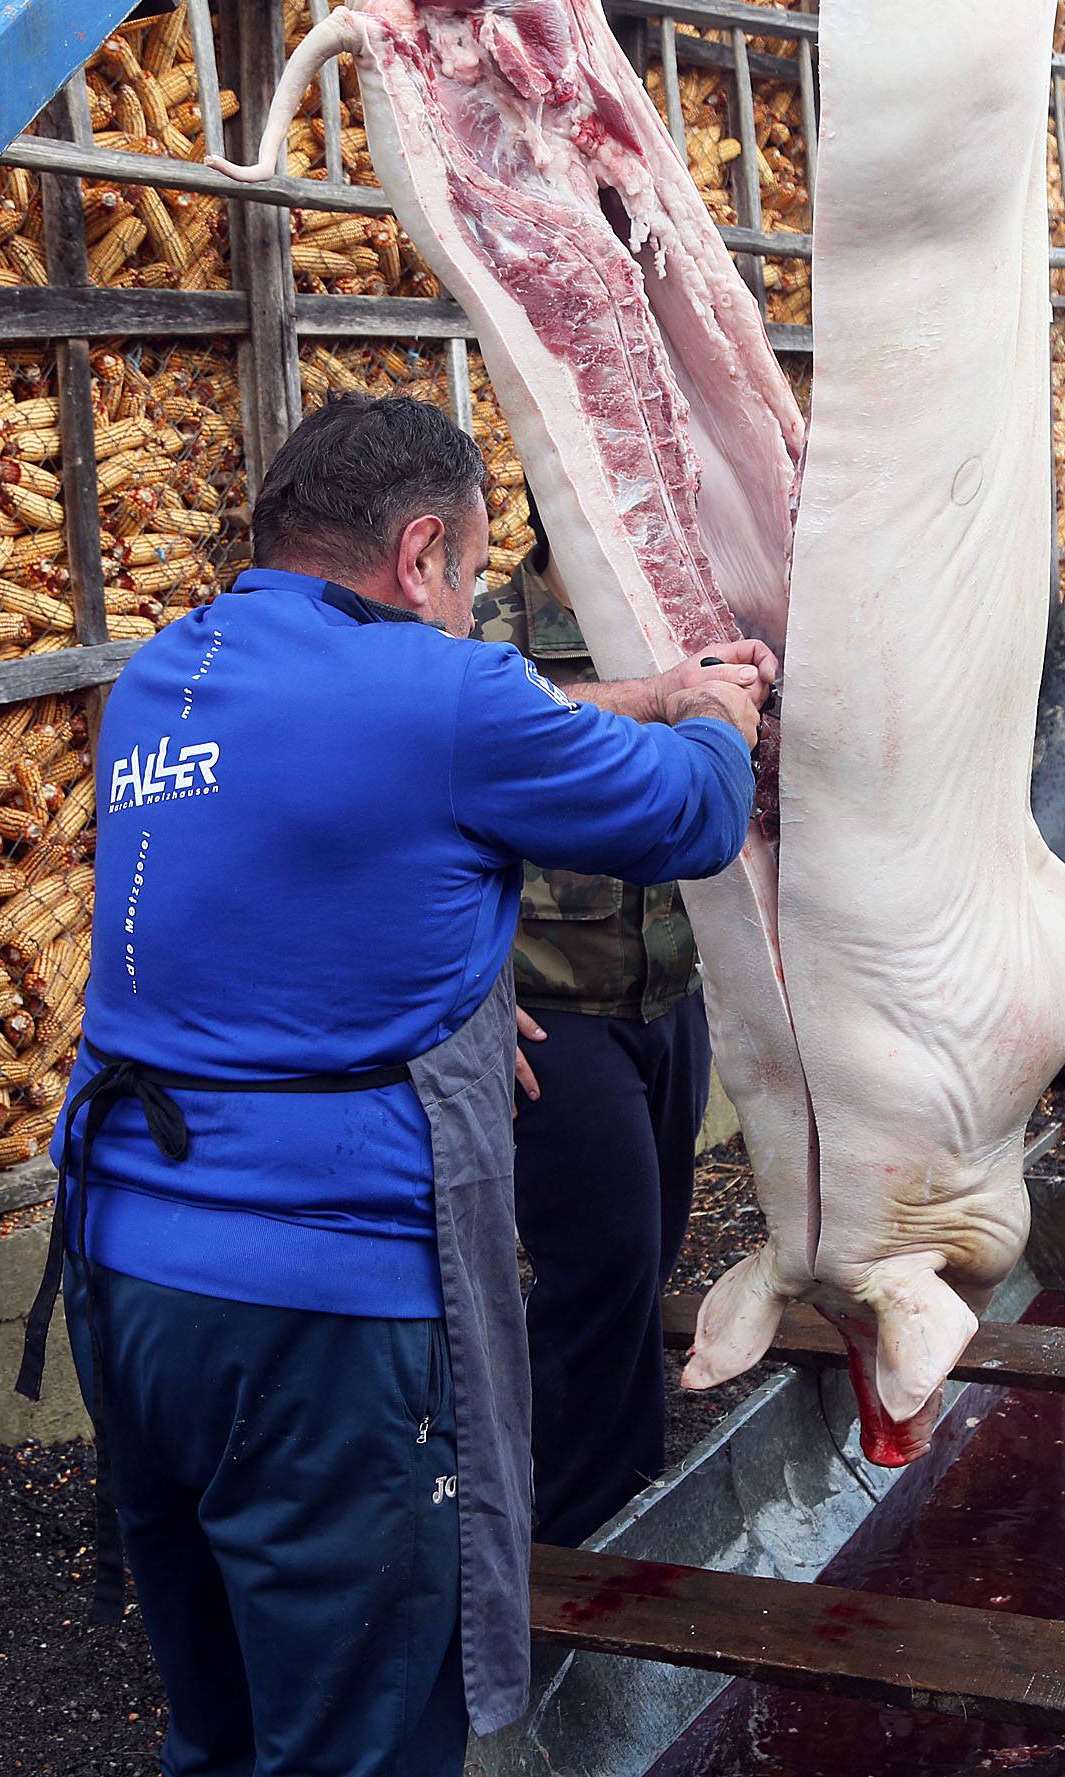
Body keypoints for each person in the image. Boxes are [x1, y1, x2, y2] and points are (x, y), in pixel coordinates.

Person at [16, 391, 776, 1777]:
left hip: (123, 1277)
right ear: (421, 553)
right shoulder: (447, 690)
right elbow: (691, 814)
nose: (474, 608)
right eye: (474, 577)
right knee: (362, 1732)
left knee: (225, 1715)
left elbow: (387, 779)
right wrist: (713, 714)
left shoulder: (166, 676)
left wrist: (646, 693)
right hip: (316, 1310)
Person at [475, 500, 717, 1549]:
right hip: (553, 1016)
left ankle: (631, 1498)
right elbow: (411, 835)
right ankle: (560, 1534)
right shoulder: (485, 644)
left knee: (648, 1255)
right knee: (601, 1266)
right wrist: (472, 993)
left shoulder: (677, 639)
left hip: (670, 996)